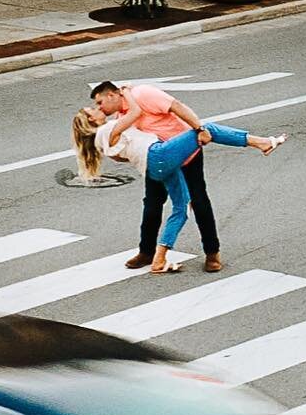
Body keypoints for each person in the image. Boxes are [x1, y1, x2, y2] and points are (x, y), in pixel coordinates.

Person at [72, 104, 284, 274]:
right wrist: (125, 90)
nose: (98, 107)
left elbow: (119, 157)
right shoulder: (107, 129)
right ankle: (261, 142)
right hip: (160, 154)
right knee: (206, 129)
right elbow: (135, 111)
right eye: (94, 108)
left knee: (181, 208)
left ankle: (159, 259)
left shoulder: (101, 142)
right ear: (91, 120)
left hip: (153, 167)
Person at [88, 79, 224, 273]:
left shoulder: (142, 94)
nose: (100, 108)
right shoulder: (122, 114)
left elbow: (177, 107)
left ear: (111, 95)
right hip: (159, 160)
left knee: (198, 200)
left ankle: (212, 253)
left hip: (185, 153)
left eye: (100, 102)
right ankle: (146, 252)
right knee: (152, 203)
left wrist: (199, 129)